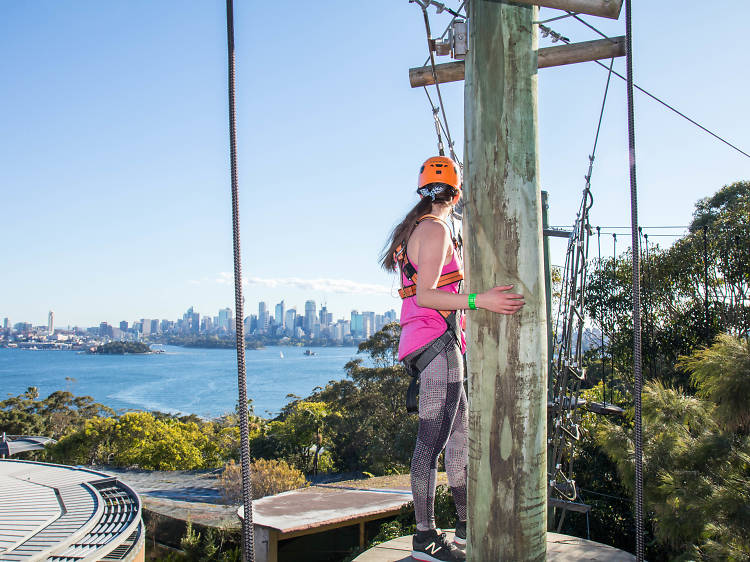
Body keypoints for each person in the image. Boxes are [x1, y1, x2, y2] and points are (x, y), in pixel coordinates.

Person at [381, 156, 525, 562]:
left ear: (423, 191)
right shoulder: (436, 229)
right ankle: (425, 535)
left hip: (433, 343)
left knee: (459, 436)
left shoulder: (416, 228)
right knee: (432, 442)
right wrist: (483, 300)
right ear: (456, 194)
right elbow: (427, 294)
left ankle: (464, 524)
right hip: (437, 346)